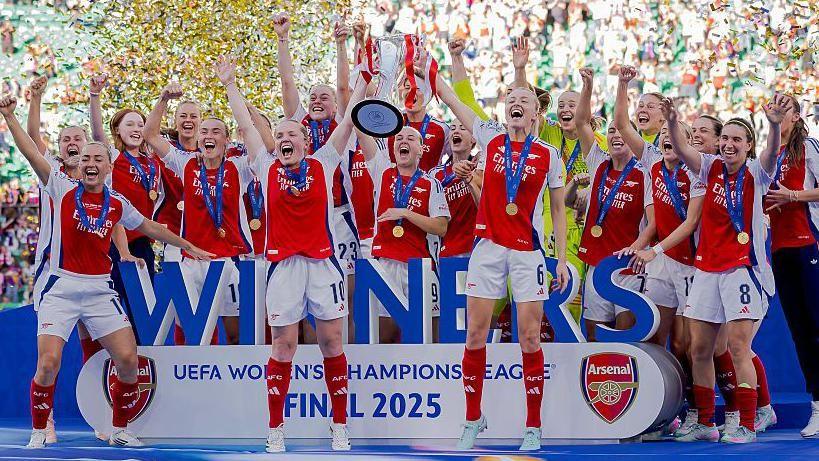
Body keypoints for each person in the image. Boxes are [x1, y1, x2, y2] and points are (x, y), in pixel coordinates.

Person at [0, 94, 212, 449]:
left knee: (129, 361)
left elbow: (150, 227)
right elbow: (31, 152)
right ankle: (40, 428)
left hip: (100, 290)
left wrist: (188, 245)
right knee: (49, 364)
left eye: (99, 158)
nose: (92, 163)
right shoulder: (62, 188)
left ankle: (119, 428)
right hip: (62, 288)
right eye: (86, 159)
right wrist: (8, 115)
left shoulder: (117, 202)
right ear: (78, 165)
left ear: (108, 166)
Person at [216, 55, 366, 452]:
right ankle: (275, 428)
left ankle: (339, 425)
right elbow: (247, 126)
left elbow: (349, 119)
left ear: (304, 140)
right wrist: (231, 84)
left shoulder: (323, 162)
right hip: (282, 268)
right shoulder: (265, 167)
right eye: (279, 133)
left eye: (291, 133)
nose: (284, 138)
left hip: (323, 267)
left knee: (332, 345)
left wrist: (366, 80)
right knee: (283, 346)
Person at [434, 66, 570, 450]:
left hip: (528, 251)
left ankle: (533, 425)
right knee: (476, 334)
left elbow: (558, 210)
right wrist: (426, 66)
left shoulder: (549, 154)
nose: (516, 104)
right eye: (511, 100)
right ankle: (473, 418)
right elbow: (453, 99)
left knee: (529, 337)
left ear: (535, 116)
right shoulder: (490, 138)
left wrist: (559, 259)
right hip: (489, 247)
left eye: (524, 101)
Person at [667, 94, 789, 443]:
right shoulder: (708, 166)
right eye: (726, 139)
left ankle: (747, 424)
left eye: (737, 139)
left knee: (737, 348)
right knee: (699, 349)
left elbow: (770, 152)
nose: (729, 144)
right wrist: (674, 121)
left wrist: (775, 124)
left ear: (748, 145)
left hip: (742, 270)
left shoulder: (757, 172)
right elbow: (683, 149)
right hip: (706, 270)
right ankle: (706, 421)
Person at [25, 75, 139, 442]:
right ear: (57, 149)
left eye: (79, 138)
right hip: (54, 273)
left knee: (103, 344)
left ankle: (109, 420)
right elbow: (30, 140)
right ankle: (46, 422)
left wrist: (122, 251)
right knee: (50, 356)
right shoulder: (53, 177)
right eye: (66, 139)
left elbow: (115, 220)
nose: (73, 143)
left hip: (94, 275)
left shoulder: (101, 184)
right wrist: (36, 98)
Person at [143, 77, 254, 346]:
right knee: (195, 334)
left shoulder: (239, 167)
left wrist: (232, 87)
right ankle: (192, 385)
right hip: (191, 261)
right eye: (204, 132)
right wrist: (163, 99)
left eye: (216, 132)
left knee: (237, 333)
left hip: (227, 262)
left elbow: (252, 133)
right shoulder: (186, 163)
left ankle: (233, 385)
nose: (208, 136)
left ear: (227, 139)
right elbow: (150, 135)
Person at [274, 14, 361, 321]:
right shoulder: (298, 127)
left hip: (338, 217)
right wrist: (282, 40)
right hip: (302, 219)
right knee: (302, 296)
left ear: (336, 106)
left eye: (324, 97)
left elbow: (343, 88)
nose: (317, 100)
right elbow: (287, 84)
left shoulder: (343, 128)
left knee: (342, 294)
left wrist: (340, 44)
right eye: (313, 97)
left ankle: (341, 356)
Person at [571, 68, 654, 341]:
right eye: (611, 131)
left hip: (628, 265)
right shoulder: (597, 162)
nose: (617, 134)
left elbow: (652, 222)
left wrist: (637, 248)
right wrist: (588, 86)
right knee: (595, 336)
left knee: (626, 334)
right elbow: (582, 122)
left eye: (622, 130)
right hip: (597, 262)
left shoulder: (644, 170)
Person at [356, 124, 450, 344]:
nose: (403, 142)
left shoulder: (431, 184)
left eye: (410, 138)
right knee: (382, 337)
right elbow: (361, 129)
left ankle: (429, 378)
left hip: (419, 267)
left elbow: (441, 227)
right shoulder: (382, 170)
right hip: (385, 264)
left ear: (421, 149)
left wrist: (406, 214)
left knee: (428, 336)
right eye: (399, 138)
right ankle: (382, 378)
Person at [762, 94, 819, 438]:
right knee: (800, 332)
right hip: (780, 250)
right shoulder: (769, 154)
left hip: (809, 244)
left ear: (796, 117)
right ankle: (817, 405)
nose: (777, 114)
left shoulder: (808, 147)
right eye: (772, 110)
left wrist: (794, 196)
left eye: (784, 111)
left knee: (816, 326)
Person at [89, 75, 163, 335]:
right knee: (114, 311)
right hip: (113, 244)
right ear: (117, 131)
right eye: (129, 124)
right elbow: (97, 134)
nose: (136, 128)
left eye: (140, 124)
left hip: (142, 244)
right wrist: (95, 97)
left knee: (142, 313)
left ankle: (141, 364)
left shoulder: (152, 162)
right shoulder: (114, 158)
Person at [429, 122, 479, 259]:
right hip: (446, 251)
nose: (456, 131)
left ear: (474, 139)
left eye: (463, 128)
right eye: (452, 128)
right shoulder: (434, 175)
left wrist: (469, 179)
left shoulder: (480, 170)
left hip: (476, 250)